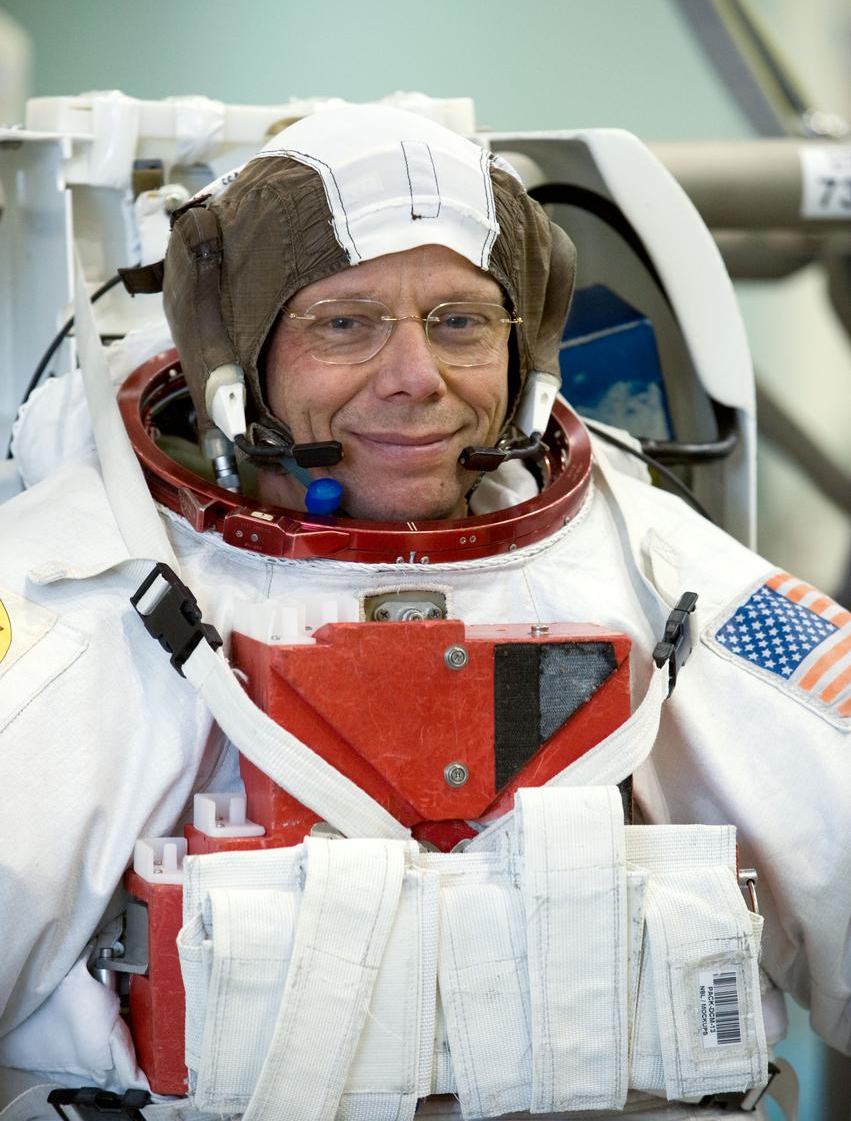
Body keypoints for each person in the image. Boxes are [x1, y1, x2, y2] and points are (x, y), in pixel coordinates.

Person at [0, 104, 848, 1120]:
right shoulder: (74, 600)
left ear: (523, 345)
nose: (416, 379)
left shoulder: (665, 576)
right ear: (237, 360)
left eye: (460, 321)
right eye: (344, 322)